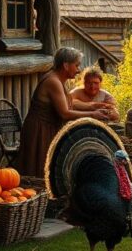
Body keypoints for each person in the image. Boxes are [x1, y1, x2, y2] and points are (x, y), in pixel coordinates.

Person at [15, 47, 109, 178]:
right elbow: (64, 113)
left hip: (46, 128)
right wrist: (92, 115)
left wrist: (93, 106)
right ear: (66, 65)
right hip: (39, 130)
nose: (79, 70)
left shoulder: (59, 80)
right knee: (38, 171)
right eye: (76, 65)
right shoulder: (53, 81)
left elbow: (70, 104)